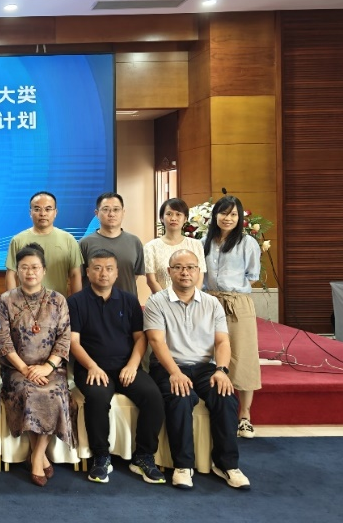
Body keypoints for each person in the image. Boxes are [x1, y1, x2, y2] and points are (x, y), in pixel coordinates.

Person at [144, 249, 250, 491]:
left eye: (191, 267)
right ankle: (183, 466)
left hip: (204, 368)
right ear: (169, 272)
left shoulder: (212, 303)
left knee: (225, 396)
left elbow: (222, 342)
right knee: (180, 397)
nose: (185, 272)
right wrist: (175, 372)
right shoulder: (157, 301)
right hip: (169, 367)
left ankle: (227, 464)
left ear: (198, 271)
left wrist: (221, 370)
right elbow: (156, 341)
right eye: (179, 267)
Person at [68, 249, 165, 485]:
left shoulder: (129, 300)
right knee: (98, 397)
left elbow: (140, 338)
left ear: (117, 272)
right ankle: (101, 456)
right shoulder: (76, 302)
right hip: (91, 368)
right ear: (88, 272)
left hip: (125, 366)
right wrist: (92, 367)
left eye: (109, 268)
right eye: (98, 268)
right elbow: (73, 342)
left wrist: (132, 365)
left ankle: (144, 456)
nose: (104, 273)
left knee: (153, 396)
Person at [0, 244, 75, 487]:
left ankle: (37, 456)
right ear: (17, 271)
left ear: (44, 270)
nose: (30, 272)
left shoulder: (58, 300)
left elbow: (64, 338)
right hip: (17, 369)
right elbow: (3, 341)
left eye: (35, 267)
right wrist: (25, 370)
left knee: (54, 393)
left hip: (51, 369)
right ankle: (40, 458)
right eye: (24, 268)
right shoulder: (6, 300)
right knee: (29, 392)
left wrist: (48, 367)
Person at [203, 194, 262, 438]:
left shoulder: (247, 243)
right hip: (209, 302)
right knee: (208, 355)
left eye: (233, 214)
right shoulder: (204, 241)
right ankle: (212, 411)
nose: (228, 218)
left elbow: (252, 275)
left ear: (239, 218)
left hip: (237, 302)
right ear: (215, 215)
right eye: (224, 213)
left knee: (243, 356)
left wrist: (232, 291)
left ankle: (244, 417)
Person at [5, 191, 84, 297]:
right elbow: (11, 274)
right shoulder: (18, 240)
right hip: (25, 304)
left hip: (58, 303)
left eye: (48, 209)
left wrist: (76, 304)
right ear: (30, 212)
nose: (43, 214)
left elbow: (75, 275)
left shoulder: (69, 240)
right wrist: (12, 302)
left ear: (55, 212)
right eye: (37, 209)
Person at [79, 192, 145, 296]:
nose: (111, 214)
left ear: (123, 212)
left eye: (116, 209)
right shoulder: (85, 243)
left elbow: (134, 275)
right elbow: (79, 277)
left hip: (127, 303)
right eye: (106, 209)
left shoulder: (135, 242)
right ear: (97, 213)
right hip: (93, 303)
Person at [144, 198, 205, 293]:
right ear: (161, 218)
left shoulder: (196, 244)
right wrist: (166, 300)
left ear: (185, 219)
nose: (173, 218)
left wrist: (191, 299)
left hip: (191, 300)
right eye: (169, 214)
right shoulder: (151, 247)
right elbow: (151, 281)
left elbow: (200, 277)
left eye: (178, 214)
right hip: (161, 300)